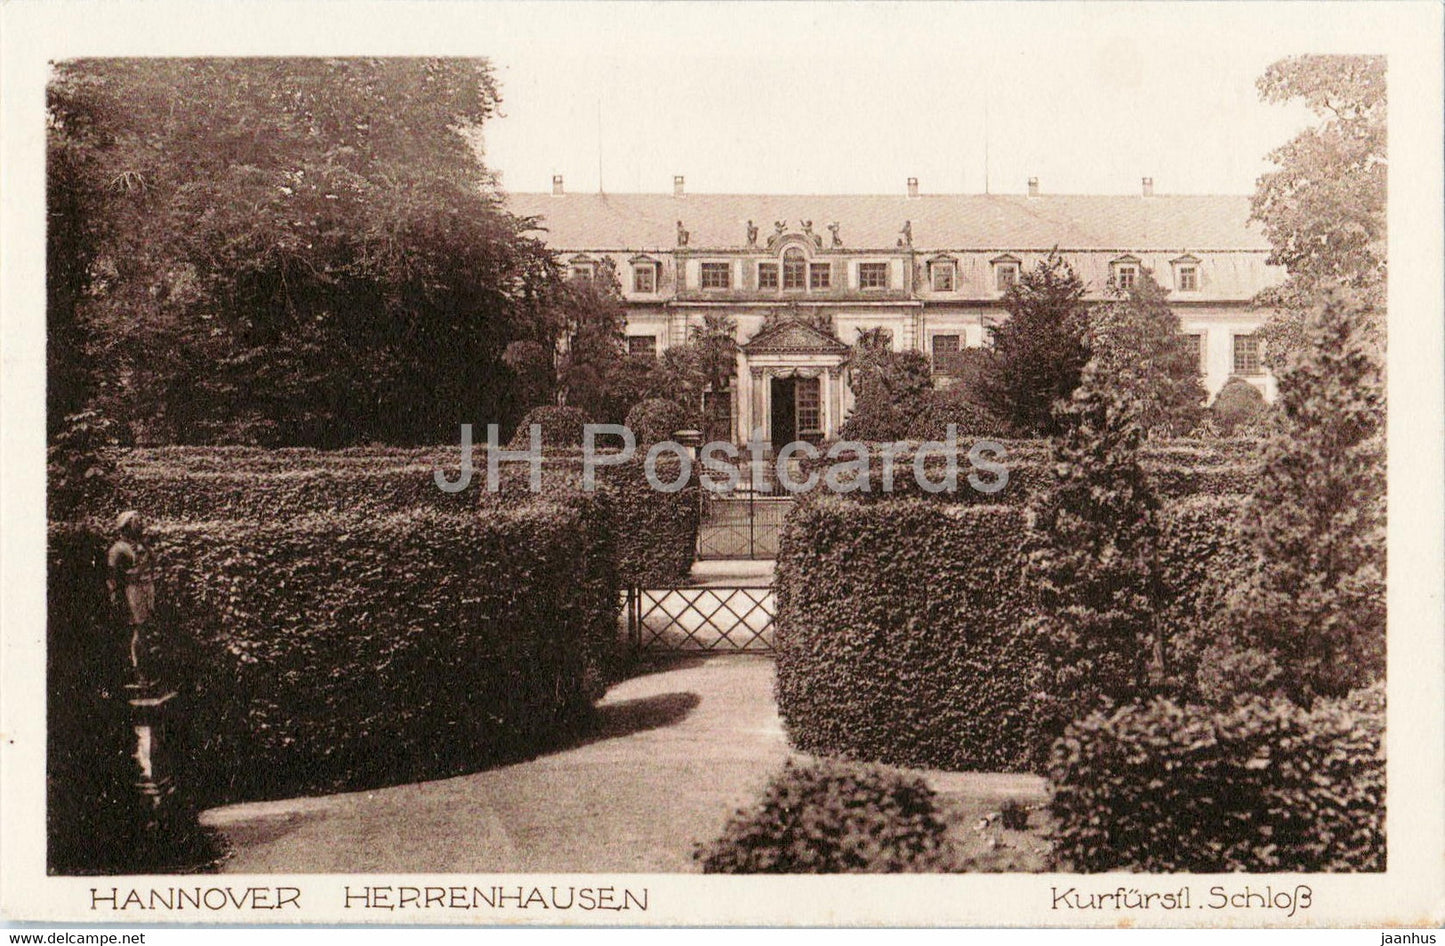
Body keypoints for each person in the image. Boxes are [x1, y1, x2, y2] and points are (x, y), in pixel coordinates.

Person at [107, 510, 157, 685]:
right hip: (133, 590)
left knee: (147, 629)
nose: (140, 524)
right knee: (139, 630)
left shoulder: (141, 545)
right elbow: (112, 576)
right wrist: (115, 595)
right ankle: (138, 670)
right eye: (136, 522)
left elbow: (152, 562)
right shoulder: (118, 549)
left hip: (146, 588)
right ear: (126, 526)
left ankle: (145, 668)